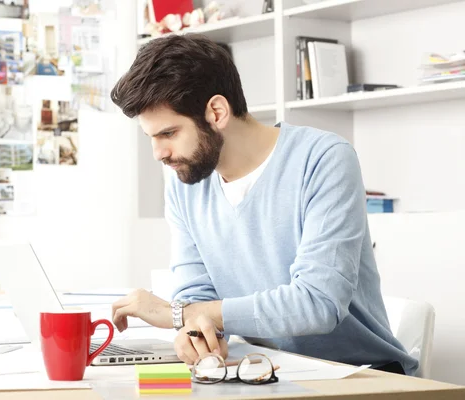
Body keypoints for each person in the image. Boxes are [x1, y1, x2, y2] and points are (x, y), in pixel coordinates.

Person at [109, 33, 418, 376]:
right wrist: (196, 333)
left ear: (216, 111)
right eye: (151, 137)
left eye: (168, 134)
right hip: (262, 370)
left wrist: (183, 314)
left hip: (361, 375)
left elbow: (318, 303)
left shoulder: (323, 159)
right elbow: (196, 294)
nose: (159, 154)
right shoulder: (186, 183)